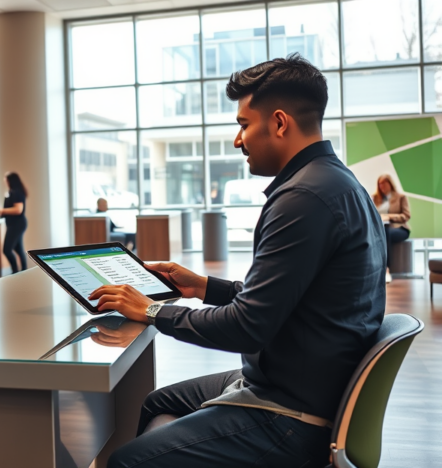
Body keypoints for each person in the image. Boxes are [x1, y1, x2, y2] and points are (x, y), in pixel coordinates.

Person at [90, 54, 386, 468]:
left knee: (125, 461)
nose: (237, 139)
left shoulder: (303, 199)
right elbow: (287, 299)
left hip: (290, 413)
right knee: (158, 401)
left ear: (279, 123)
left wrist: (152, 309)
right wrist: (202, 287)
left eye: (243, 124)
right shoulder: (336, 182)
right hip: (297, 381)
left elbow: (248, 327)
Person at [373, 174, 411, 283]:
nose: (381, 186)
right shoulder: (374, 198)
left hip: (399, 229)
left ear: (390, 184)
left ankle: (386, 269)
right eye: (379, 184)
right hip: (380, 229)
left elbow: (406, 215)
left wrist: (389, 217)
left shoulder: (401, 197)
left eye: (384, 183)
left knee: (386, 233)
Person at [0, 172, 28, 273]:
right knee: (18, 249)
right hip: (14, 224)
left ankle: (15, 272)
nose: (6, 183)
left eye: (6, 181)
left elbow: (18, 209)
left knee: (7, 250)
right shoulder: (12, 192)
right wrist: (1, 213)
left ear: (10, 181)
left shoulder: (17, 192)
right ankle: (23, 271)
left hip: (17, 224)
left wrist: (2, 211)